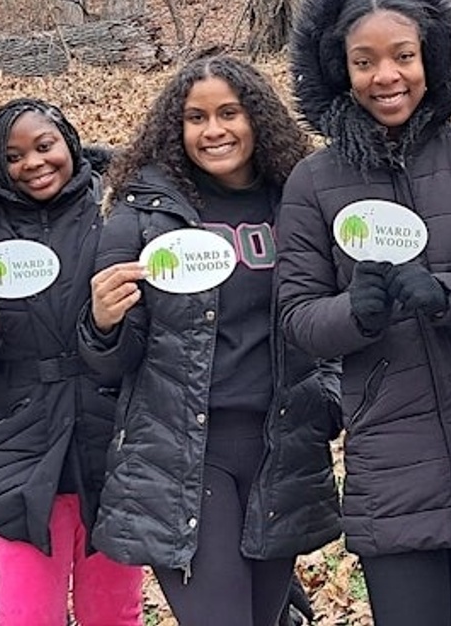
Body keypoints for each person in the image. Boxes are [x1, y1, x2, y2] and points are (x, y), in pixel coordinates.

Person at [277, 0, 451, 626]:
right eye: (365, 61)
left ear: (431, 58)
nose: (386, 76)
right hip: (390, 454)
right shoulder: (314, 183)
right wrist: (355, 313)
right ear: (340, 69)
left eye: (403, 56)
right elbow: (297, 316)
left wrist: (448, 296)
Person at [77, 53, 340, 626]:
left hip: (282, 449)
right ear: (177, 127)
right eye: (197, 118)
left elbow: (328, 314)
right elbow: (107, 362)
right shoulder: (143, 215)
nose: (214, 130)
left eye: (229, 113)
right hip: (183, 457)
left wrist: (329, 403)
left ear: (257, 120)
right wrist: (102, 321)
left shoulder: (296, 203)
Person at [0, 99, 143, 625]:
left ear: (68, 142)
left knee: (114, 614)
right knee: (26, 615)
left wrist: (105, 324)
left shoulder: (116, 212)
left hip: (111, 452)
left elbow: (147, 342)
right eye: (14, 156)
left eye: (44, 146)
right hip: (21, 457)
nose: (34, 163)